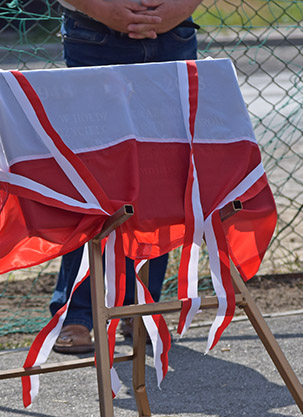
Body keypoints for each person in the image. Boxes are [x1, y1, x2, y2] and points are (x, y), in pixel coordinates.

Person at [49, 0, 203, 354]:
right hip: (96, 32)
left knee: (162, 178)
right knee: (95, 180)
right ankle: (78, 314)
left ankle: (141, 309)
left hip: (174, 34)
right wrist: (103, 8)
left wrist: (177, 8)